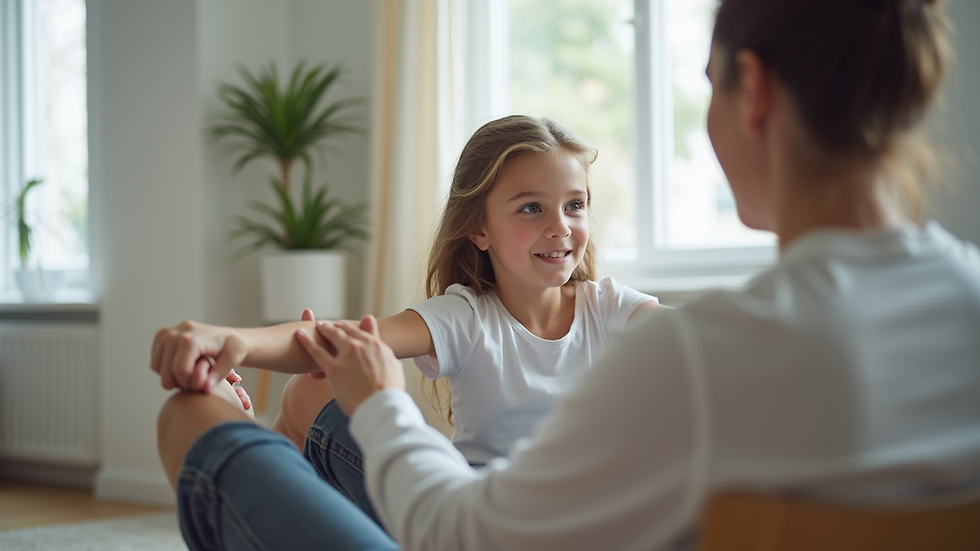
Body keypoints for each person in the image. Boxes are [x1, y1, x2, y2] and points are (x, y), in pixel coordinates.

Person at [153, 0, 980, 549]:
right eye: (531, 209)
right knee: (308, 405)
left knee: (191, 422)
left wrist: (382, 404)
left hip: (470, 519)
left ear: (752, 90)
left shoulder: (690, 356)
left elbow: (458, 528)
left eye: (707, 88)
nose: (561, 228)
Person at [154, 115, 662, 522]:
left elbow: (695, 341)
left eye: (575, 205)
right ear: (478, 229)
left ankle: (273, 454)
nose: (561, 227)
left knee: (309, 394)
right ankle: (276, 447)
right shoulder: (468, 315)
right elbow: (341, 338)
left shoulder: (611, 307)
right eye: (532, 208)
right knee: (316, 388)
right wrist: (233, 341)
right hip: (471, 510)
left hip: (569, 517)